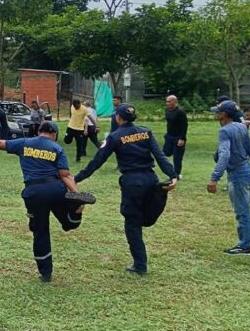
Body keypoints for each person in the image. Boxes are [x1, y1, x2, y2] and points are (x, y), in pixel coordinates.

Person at [0, 121, 95, 283]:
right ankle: (77, 206)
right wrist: (76, 193)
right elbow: (65, 175)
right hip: (55, 189)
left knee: (40, 231)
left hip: (34, 192)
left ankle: (45, 273)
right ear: (54, 134)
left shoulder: (25, 143)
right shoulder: (56, 148)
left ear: (39, 131)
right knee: (69, 224)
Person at [75, 103, 178, 275]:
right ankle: (140, 262)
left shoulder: (115, 137)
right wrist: (172, 174)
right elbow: (159, 155)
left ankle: (140, 265)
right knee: (144, 215)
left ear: (119, 118)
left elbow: (97, 162)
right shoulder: (146, 132)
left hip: (132, 182)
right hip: (151, 179)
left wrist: (76, 178)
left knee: (132, 223)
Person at [207, 100, 250, 256]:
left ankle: (244, 246)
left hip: (238, 174)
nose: (216, 113)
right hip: (247, 171)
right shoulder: (241, 127)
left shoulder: (225, 131)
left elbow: (224, 155)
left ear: (224, 114)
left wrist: (214, 178)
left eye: (218, 111)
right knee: (242, 205)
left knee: (242, 212)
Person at [163, 95, 188, 179]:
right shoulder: (167, 110)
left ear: (175, 102)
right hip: (169, 136)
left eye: (169, 101)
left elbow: (184, 126)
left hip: (178, 137)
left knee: (177, 158)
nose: (167, 103)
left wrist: (182, 138)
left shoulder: (180, 112)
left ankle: (176, 175)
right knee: (165, 153)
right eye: (166, 101)